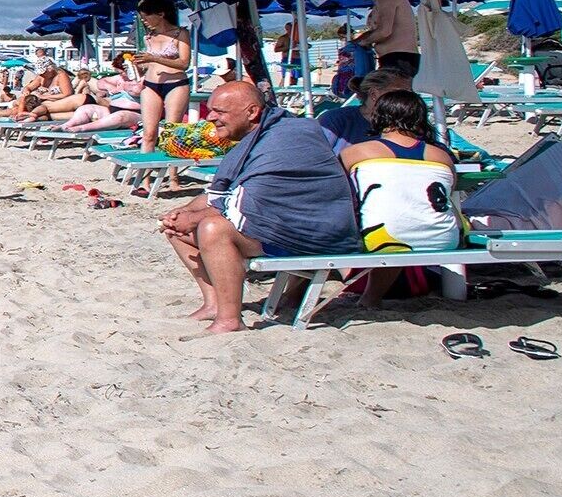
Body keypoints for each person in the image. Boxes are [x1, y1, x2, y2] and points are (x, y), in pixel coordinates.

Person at [159, 79, 363, 332]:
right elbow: (228, 192)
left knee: (213, 228)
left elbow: (250, 200)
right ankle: (214, 303)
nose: (210, 118)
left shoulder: (285, 138)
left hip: (313, 234)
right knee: (179, 226)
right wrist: (185, 212)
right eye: (211, 110)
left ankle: (230, 320)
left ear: (252, 112)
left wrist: (197, 217)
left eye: (219, 112)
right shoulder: (264, 134)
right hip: (288, 224)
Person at [338, 88, 462, 252]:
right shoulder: (441, 156)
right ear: (421, 118)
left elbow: (337, 192)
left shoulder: (356, 153)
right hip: (444, 238)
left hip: (383, 238)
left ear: (378, 116)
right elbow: (449, 192)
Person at [316, 51, 418, 148]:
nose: (409, 98)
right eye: (402, 93)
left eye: (411, 92)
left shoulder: (411, 122)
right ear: (374, 94)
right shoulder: (336, 120)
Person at [133, 0, 192, 151]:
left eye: (146, 17)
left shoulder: (181, 34)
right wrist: (139, 65)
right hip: (150, 83)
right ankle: (144, 175)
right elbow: (149, 65)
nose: (144, 20)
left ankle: (173, 175)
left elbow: (184, 64)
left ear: (161, 14)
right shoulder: (148, 37)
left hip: (176, 83)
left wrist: (154, 58)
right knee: (148, 134)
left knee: (171, 132)